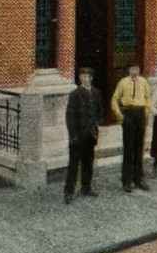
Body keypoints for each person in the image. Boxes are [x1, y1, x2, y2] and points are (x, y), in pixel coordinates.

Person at [64, 66, 102, 204]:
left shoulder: (96, 93)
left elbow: (99, 111)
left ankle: (86, 187)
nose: (85, 79)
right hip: (78, 135)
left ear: (91, 78)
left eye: (87, 77)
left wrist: (96, 126)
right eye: (82, 77)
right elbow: (69, 116)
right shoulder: (75, 94)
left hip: (90, 135)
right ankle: (69, 191)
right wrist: (72, 135)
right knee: (74, 165)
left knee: (88, 162)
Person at [111, 63, 151, 193]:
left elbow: (148, 98)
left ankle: (139, 180)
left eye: (137, 69)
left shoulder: (144, 82)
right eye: (133, 69)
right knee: (128, 149)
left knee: (139, 148)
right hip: (128, 114)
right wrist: (119, 115)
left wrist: (146, 111)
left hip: (140, 114)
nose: (135, 71)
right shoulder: (123, 82)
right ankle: (127, 181)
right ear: (129, 70)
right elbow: (114, 99)